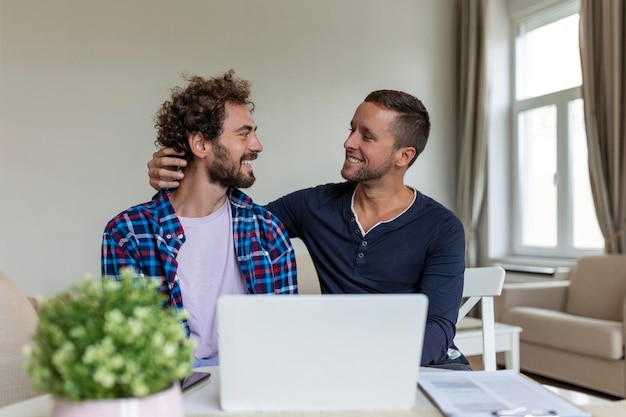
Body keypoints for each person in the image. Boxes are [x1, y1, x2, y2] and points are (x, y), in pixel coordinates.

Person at [147, 89, 468, 369]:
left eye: (366, 136)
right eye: (351, 129)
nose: (349, 142)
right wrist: (182, 173)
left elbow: (439, 330)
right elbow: (231, 220)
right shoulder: (314, 205)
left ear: (404, 156)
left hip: (424, 368)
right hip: (341, 368)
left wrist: (364, 360)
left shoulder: (442, 228)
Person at [102, 70, 298, 368]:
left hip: (252, 381)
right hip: (169, 389)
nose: (257, 145)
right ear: (201, 144)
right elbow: (129, 349)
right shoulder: (128, 233)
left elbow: (285, 340)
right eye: (244, 133)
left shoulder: (267, 230)